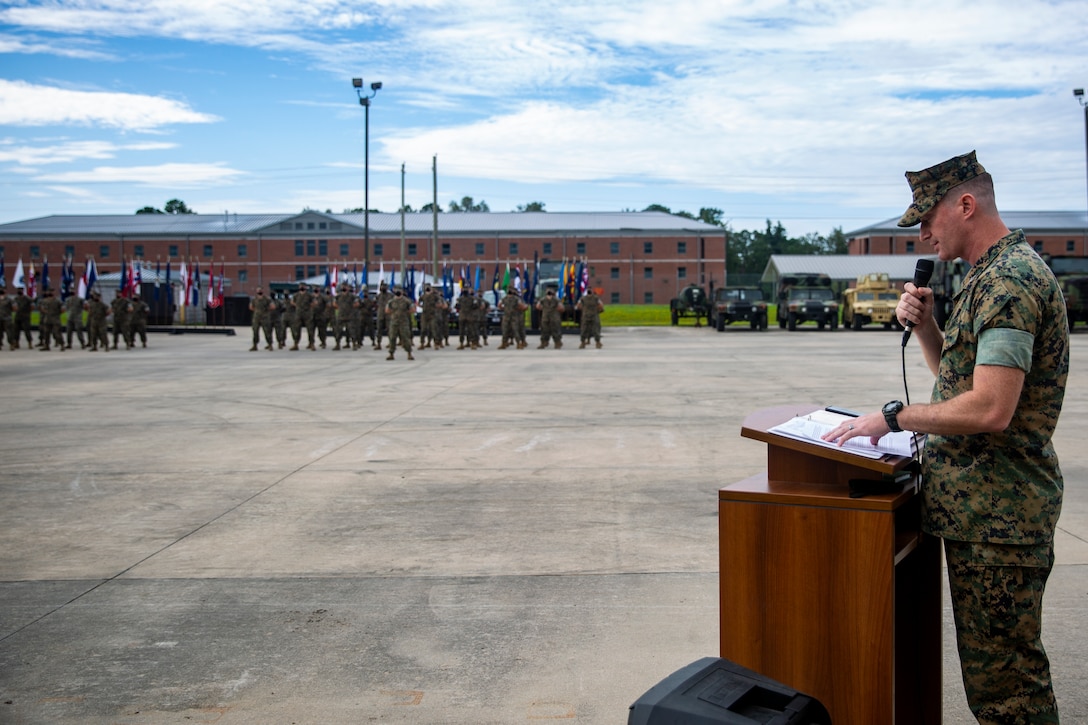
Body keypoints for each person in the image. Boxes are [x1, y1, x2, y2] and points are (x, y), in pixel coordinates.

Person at [822, 151, 1068, 724]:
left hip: (999, 522)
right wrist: (928, 327)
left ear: (966, 204)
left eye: (928, 217)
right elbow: (955, 386)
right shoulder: (988, 276)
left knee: (1009, 695)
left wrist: (893, 417)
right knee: (998, 688)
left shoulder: (1009, 280)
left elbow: (990, 410)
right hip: (982, 517)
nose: (924, 232)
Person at [384, 287, 415, 360]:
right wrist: (394, 314)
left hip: (404, 322)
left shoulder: (407, 301)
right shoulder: (391, 301)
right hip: (394, 322)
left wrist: (405, 313)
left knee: (406, 338)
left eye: (399, 290)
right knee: (392, 338)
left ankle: (409, 353)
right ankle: (391, 354)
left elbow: (413, 309)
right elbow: (387, 310)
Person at [249, 287, 274, 351]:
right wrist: (257, 311)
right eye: (258, 290)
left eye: (260, 290)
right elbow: (251, 307)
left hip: (265, 318)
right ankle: (255, 345)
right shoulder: (254, 299)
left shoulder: (267, 299)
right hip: (256, 318)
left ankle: (270, 344)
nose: (259, 291)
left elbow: (273, 306)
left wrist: (266, 310)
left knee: (267, 331)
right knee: (255, 331)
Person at [0, 286, 13, 350]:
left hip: (7, 318)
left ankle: (11, 344)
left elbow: (14, 308)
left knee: (9, 332)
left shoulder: (9, 299)